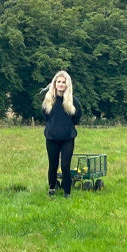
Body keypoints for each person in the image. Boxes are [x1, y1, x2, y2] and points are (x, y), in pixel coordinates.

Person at [43, 70, 82, 199]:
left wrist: (68, 127)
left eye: (63, 82)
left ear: (67, 85)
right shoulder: (49, 100)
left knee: (65, 165)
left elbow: (77, 117)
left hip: (67, 138)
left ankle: (67, 192)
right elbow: (46, 116)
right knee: (53, 164)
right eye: (58, 82)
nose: (60, 84)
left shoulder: (73, 102)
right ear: (54, 84)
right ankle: (52, 188)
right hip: (52, 138)